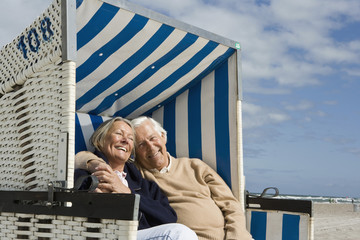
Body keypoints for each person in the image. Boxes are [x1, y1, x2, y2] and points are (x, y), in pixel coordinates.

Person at [76, 116, 252, 240]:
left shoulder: (194, 167)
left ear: (163, 137)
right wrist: (95, 164)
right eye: (141, 144)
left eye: (153, 138)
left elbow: (231, 205)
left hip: (226, 236)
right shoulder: (140, 173)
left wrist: (237, 237)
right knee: (180, 234)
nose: (151, 147)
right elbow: (79, 159)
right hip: (176, 236)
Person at [74, 117, 198, 240]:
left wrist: (128, 193)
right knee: (179, 234)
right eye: (119, 134)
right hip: (107, 235)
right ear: (100, 140)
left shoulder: (146, 186)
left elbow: (169, 218)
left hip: (143, 235)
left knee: (180, 232)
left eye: (130, 138)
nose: (125, 141)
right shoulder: (87, 176)